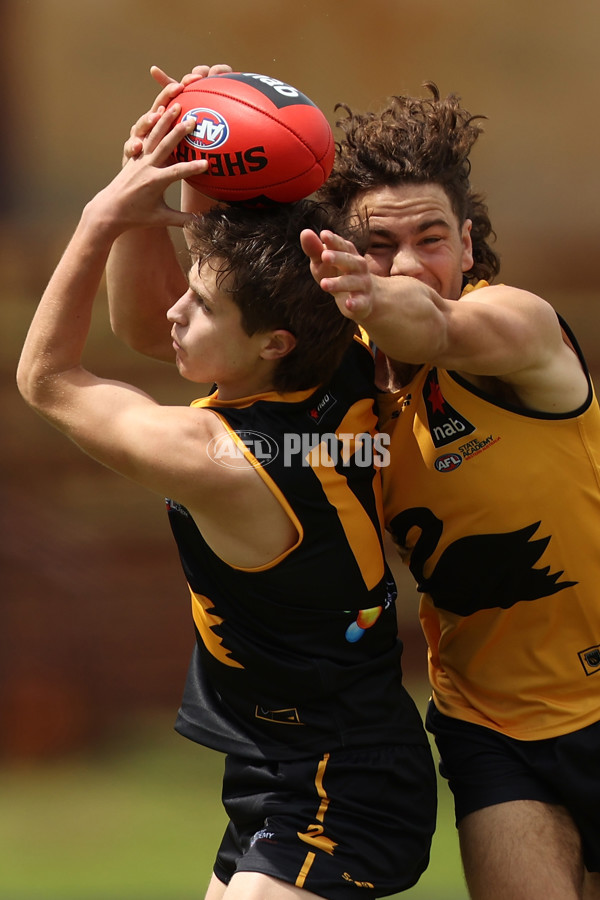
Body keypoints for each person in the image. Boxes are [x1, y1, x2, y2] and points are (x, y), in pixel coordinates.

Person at [16, 101, 437, 900]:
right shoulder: (334, 361)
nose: (179, 306)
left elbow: (48, 380)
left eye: (201, 303)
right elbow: (153, 320)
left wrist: (101, 215)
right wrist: (194, 151)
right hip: (300, 759)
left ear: (269, 344)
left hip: (335, 783)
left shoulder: (221, 460)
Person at [301, 84, 600, 900]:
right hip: (490, 725)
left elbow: (435, 327)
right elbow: (168, 334)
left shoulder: (519, 329)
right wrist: (153, 200)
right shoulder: (347, 388)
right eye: (378, 244)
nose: (406, 264)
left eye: (430, 238)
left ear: (468, 247)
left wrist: (365, 294)